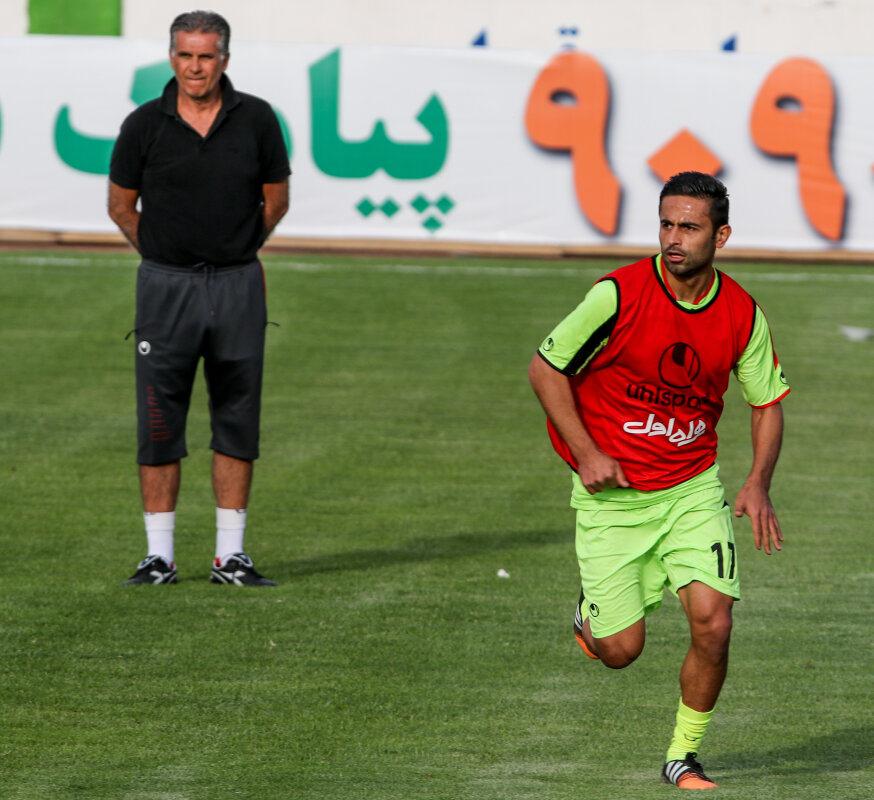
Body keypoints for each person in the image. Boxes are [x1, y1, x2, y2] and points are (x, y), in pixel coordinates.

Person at [528, 172, 789, 789]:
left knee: (715, 623)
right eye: (666, 224)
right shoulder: (616, 295)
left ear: (720, 236)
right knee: (620, 652)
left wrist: (757, 482)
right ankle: (591, 618)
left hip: (692, 489)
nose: (674, 238)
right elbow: (545, 369)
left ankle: (683, 755)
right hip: (612, 498)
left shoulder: (742, 313)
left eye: (689, 227)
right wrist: (587, 453)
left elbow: (766, 403)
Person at [108, 10, 290, 586]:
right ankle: (158, 558)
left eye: (205, 56)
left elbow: (276, 200)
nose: (195, 67)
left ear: (224, 60)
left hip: (238, 285)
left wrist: (235, 251)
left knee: (237, 418)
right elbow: (120, 207)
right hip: (165, 288)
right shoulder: (143, 124)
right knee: (159, 420)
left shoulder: (257, 119)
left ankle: (229, 557)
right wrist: (167, 257)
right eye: (185, 55)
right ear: (171, 58)